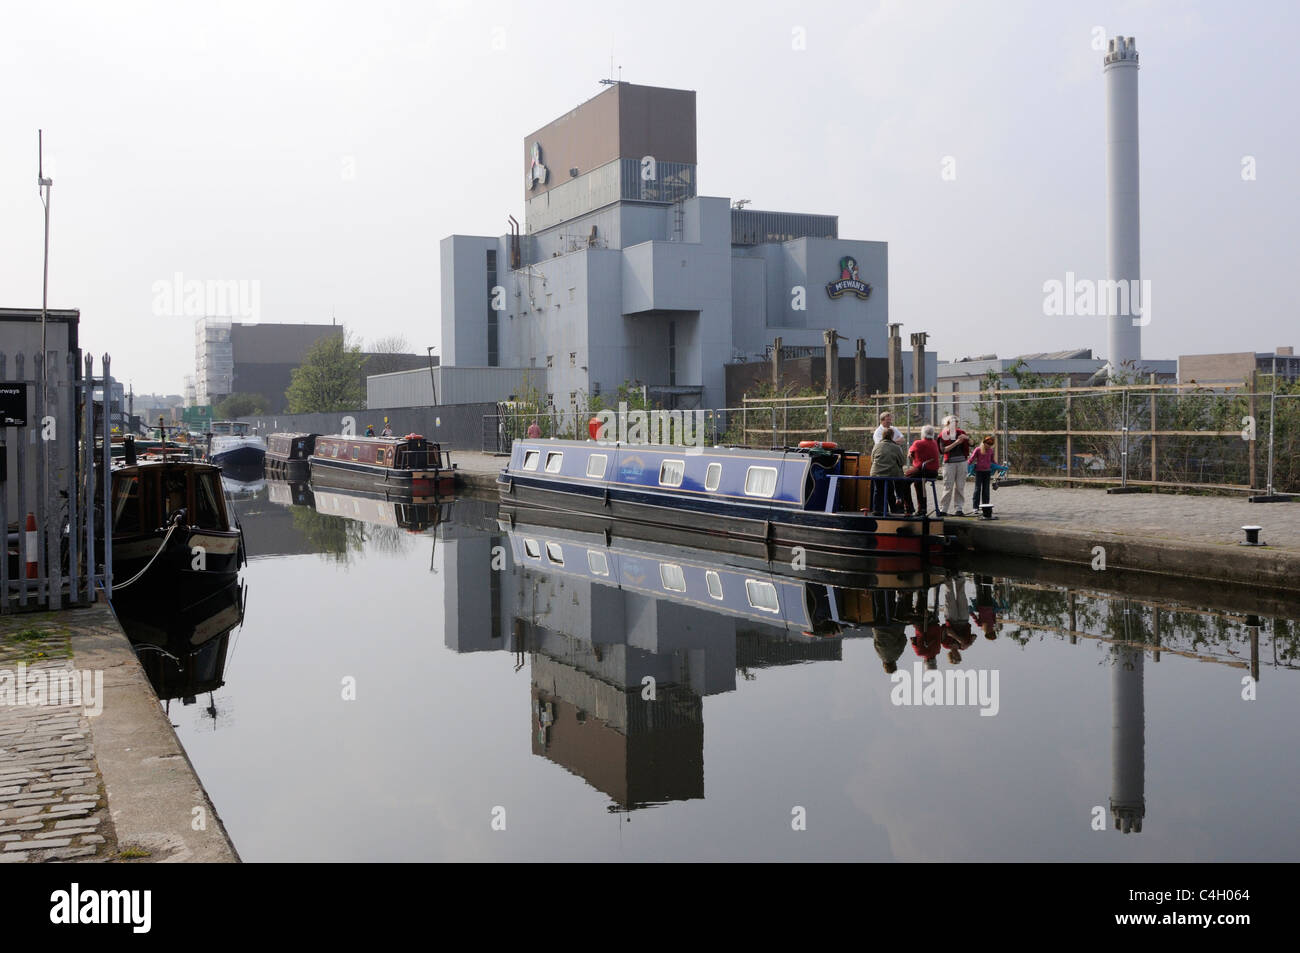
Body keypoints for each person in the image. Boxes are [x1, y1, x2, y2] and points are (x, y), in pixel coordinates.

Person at [906, 424, 942, 514]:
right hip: (933, 472)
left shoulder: (918, 443)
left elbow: (910, 453)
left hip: (922, 469)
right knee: (918, 483)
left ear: (922, 434)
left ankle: (908, 507)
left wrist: (910, 452)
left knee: (903, 481)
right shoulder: (934, 443)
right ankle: (922, 509)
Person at [938, 415, 970, 516]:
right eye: (953, 423)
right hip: (949, 463)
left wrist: (967, 438)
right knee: (948, 486)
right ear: (947, 424)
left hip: (962, 462)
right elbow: (943, 450)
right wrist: (956, 443)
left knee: (960, 486)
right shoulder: (943, 435)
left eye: (956, 423)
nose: (955, 425)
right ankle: (943, 509)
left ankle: (959, 509)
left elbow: (973, 443)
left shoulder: (961, 433)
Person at [869, 430, 907, 515]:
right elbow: (902, 461)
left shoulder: (877, 446)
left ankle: (877, 509)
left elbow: (872, 459)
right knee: (891, 489)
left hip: (876, 473)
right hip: (890, 473)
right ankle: (896, 507)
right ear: (892, 436)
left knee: (878, 490)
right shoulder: (896, 447)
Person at [970, 436, 997, 512]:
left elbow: (993, 461)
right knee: (977, 489)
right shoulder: (978, 449)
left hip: (987, 472)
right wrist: (967, 466)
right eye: (988, 443)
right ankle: (975, 507)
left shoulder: (991, 450)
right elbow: (972, 458)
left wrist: (999, 466)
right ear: (984, 442)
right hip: (979, 472)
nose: (989, 445)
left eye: (991, 444)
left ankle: (985, 507)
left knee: (986, 490)